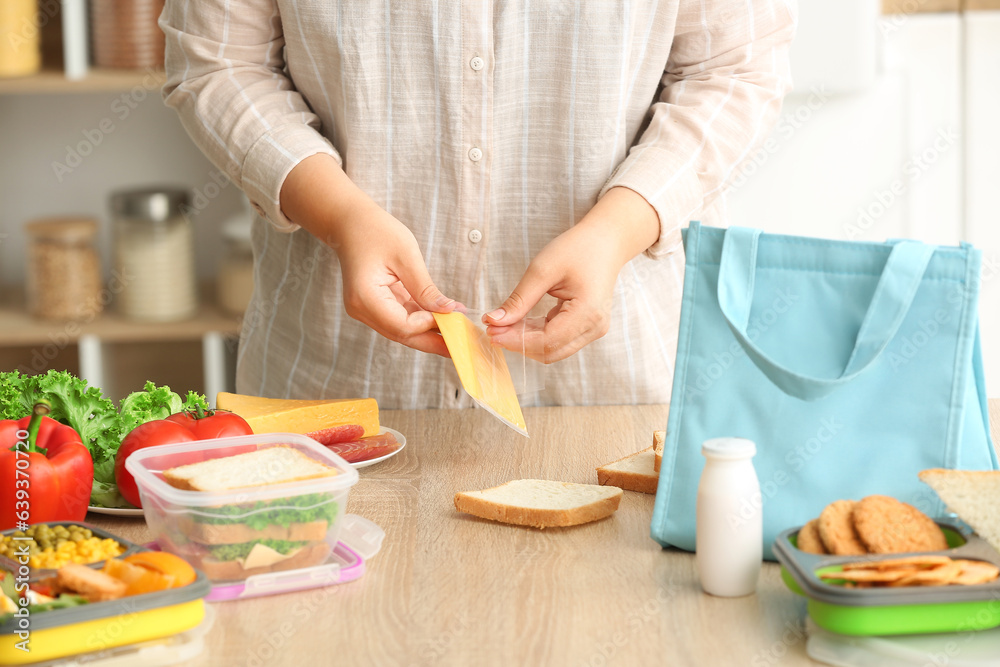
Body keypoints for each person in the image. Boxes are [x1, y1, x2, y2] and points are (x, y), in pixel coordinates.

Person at [160, 1, 795, 409]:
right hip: (340, 386)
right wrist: (340, 214)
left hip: (612, 388)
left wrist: (619, 227)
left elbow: (735, 71)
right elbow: (217, 63)